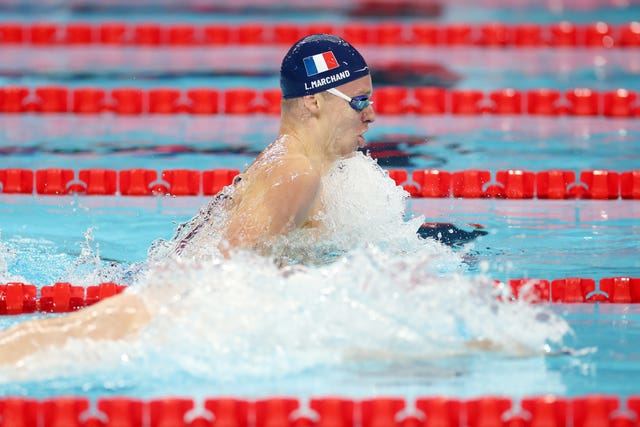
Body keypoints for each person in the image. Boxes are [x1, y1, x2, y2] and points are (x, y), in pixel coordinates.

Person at [0, 34, 376, 364]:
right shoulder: (297, 172)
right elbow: (230, 275)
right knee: (34, 350)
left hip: (158, 291)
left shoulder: (291, 163)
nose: (371, 116)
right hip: (161, 307)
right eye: (359, 102)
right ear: (314, 102)